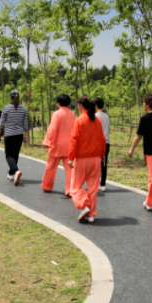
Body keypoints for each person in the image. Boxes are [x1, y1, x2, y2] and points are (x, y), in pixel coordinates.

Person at [67, 96, 106, 224]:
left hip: (82, 159)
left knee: (75, 187)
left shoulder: (79, 121)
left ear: (80, 106)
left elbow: (74, 141)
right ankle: (91, 215)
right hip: (96, 159)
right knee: (93, 188)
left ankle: (84, 206)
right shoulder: (97, 121)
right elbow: (102, 139)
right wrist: (102, 154)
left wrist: (71, 158)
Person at [42, 94, 75, 194]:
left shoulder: (57, 114)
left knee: (51, 167)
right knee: (69, 169)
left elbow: (53, 128)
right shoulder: (72, 114)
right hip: (69, 145)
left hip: (56, 145)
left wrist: (48, 141)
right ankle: (70, 190)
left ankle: (47, 186)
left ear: (58, 103)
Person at [0, 89, 29, 185]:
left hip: (9, 135)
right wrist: (26, 136)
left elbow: (1, 122)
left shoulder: (6, 108)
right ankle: (11, 174)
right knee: (15, 155)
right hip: (19, 135)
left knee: (9, 155)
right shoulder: (23, 109)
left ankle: (16, 171)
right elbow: (25, 124)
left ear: (10, 97)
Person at [95, 97, 111, 192]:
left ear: (95, 106)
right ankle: (103, 184)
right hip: (106, 142)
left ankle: (96, 183)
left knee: (96, 164)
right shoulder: (107, 116)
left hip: (97, 142)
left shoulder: (94, 116)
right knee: (104, 163)